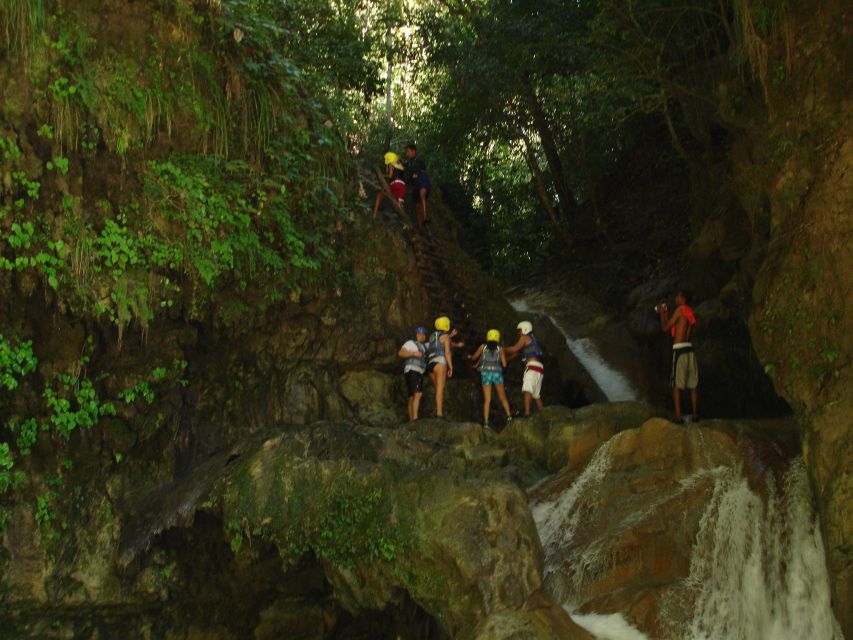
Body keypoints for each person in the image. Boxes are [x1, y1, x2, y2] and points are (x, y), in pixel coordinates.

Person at [657, 290, 699, 423]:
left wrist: (661, 314)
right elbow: (682, 328)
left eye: (677, 296)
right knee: (693, 385)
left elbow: (665, 328)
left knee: (676, 384)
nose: (675, 298)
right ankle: (695, 415)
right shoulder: (689, 312)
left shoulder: (680, 309)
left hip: (679, 350)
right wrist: (666, 314)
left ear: (682, 297)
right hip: (689, 349)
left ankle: (678, 416)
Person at [468, 329, 513, 429]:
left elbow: (474, 357)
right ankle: (509, 416)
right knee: (502, 397)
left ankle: (486, 423)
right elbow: (504, 364)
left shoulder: (482, 347)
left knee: (487, 399)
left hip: (486, 374)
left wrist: (470, 357)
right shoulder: (500, 349)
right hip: (497, 373)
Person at [425, 316, 463, 419]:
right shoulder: (445, 337)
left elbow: (442, 341)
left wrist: (452, 336)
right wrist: (451, 366)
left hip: (430, 364)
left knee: (438, 389)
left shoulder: (433, 337)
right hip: (440, 363)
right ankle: (439, 414)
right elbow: (447, 352)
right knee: (440, 389)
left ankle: (437, 411)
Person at [505, 320, 544, 416]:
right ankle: (544, 413)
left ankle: (527, 413)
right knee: (536, 394)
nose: (518, 333)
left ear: (525, 329)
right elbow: (516, 354)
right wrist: (506, 360)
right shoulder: (531, 340)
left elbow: (514, 349)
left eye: (519, 330)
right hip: (539, 368)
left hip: (532, 367)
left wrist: (502, 349)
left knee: (527, 389)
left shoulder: (524, 338)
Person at [397, 326, 428, 422]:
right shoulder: (410, 343)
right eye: (420, 334)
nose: (422, 336)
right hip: (412, 369)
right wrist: (413, 353)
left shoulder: (424, 347)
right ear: (416, 335)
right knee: (418, 394)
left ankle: (411, 420)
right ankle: (415, 418)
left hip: (419, 371)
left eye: (424, 334)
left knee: (412, 396)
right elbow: (401, 353)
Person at [372, 151, 407, 220]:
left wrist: (382, 175)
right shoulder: (400, 165)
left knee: (380, 194)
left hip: (395, 184)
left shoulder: (391, 163)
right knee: (399, 205)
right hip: (403, 187)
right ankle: (405, 221)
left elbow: (390, 175)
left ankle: (374, 215)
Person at [404, 143, 430, 228]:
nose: (407, 154)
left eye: (408, 151)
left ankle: (425, 217)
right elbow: (405, 168)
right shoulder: (408, 163)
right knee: (417, 207)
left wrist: (412, 171)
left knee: (422, 193)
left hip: (422, 180)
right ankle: (421, 227)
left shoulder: (419, 160)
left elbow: (417, 169)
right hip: (415, 185)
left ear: (413, 151)